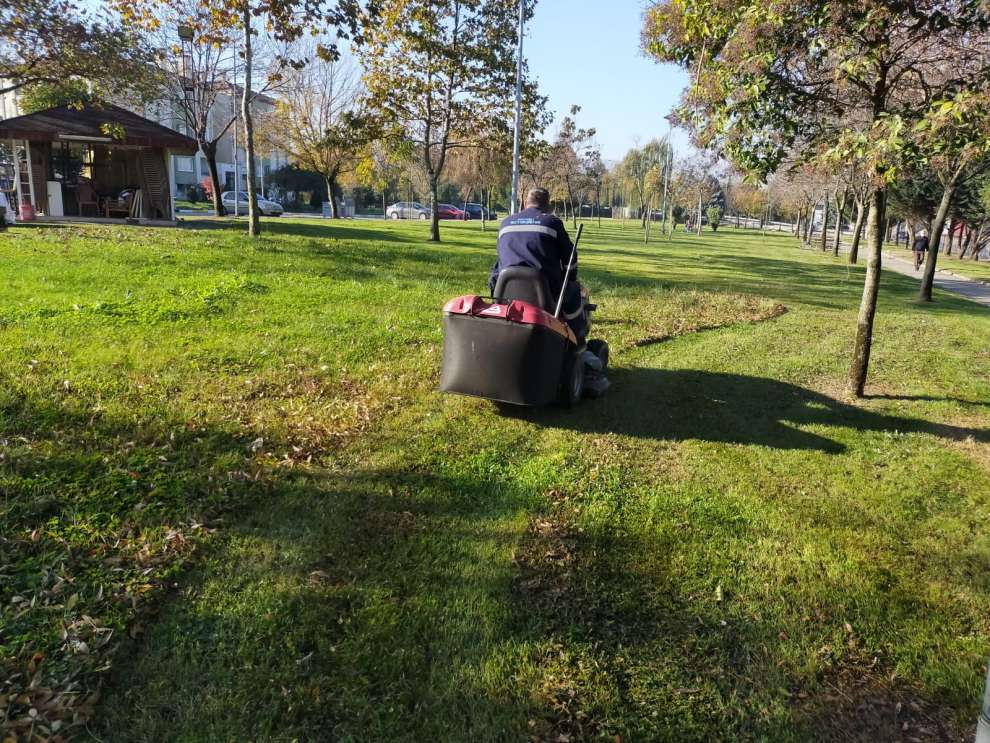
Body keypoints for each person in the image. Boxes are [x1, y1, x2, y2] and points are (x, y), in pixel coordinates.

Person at [488, 187, 589, 346]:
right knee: (575, 291)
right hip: (545, 294)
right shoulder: (552, 222)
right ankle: (575, 342)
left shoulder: (505, 224)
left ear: (524, 202)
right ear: (547, 205)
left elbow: (500, 259)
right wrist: (570, 279)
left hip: (506, 292)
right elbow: (571, 258)